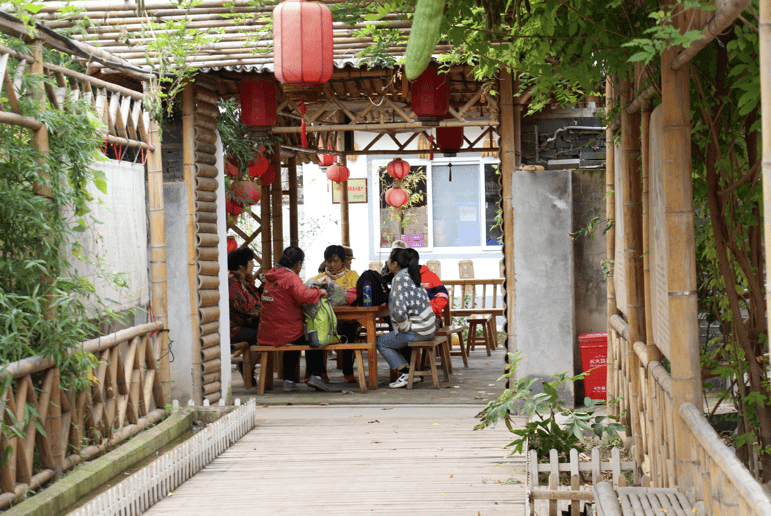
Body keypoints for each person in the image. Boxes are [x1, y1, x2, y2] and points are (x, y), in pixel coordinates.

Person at [258, 246, 330, 392]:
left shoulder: (272, 276)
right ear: (298, 264)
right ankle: (316, 376)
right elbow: (304, 296)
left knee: (294, 337)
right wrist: (319, 291)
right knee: (313, 336)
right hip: (285, 330)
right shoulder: (291, 278)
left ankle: (288, 380)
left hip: (267, 331)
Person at [377, 247, 437, 388]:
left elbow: (399, 312)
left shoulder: (398, 279)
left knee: (381, 342)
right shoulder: (412, 275)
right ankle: (409, 372)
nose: (387, 262)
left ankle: (405, 373)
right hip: (429, 327)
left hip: (418, 331)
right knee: (393, 338)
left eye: (389, 260)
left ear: (395, 264)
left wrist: (404, 328)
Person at [314, 245, 360, 383]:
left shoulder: (353, 276)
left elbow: (355, 296)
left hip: (348, 320)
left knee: (351, 332)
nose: (333, 265)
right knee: (315, 336)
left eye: (336, 261)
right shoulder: (319, 278)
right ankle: (321, 372)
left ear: (343, 261)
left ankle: (348, 372)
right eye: (329, 261)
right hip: (325, 321)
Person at [228, 247, 261, 384]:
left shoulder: (243, 280)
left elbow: (253, 299)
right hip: (234, 329)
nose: (253, 265)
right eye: (251, 261)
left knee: (268, 333)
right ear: (241, 265)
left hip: (244, 326)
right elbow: (244, 306)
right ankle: (246, 366)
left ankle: (248, 367)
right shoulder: (232, 282)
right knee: (265, 336)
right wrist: (264, 308)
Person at [405, 248, 448, 318]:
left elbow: (442, 294)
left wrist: (433, 308)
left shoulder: (430, 275)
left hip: (431, 317)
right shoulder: (400, 277)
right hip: (408, 319)